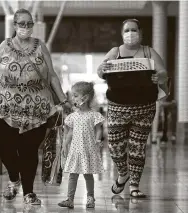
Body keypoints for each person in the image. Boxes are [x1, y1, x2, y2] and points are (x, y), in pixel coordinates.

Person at [0, 8, 71, 205]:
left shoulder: (40, 46)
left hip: (36, 109)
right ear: (15, 25)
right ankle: (14, 178)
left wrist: (63, 100)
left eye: (29, 24)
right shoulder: (5, 45)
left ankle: (29, 193)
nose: (26, 27)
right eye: (22, 23)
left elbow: (51, 75)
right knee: (4, 150)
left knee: (29, 152)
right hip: (6, 107)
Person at [97, 19, 168, 198]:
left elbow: (163, 73)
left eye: (133, 30)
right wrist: (102, 68)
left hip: (144, 108)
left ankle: (135, 186)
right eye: (127, 30)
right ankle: (123, 174)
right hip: (117, 108)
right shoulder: (115, 52)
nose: (130, 33)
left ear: (140, 32)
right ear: (122, 34)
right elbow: (100, 71)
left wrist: (159, 77)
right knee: (114, 145)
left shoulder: (148, 52)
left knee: (137, 147)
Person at [58, 82, 105, 209]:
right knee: (72, 175)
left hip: (88, 149)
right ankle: (70, 199)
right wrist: (64, 145)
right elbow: (70, 132)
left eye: (75, 96)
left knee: (88, 174)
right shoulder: (73, 116)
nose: (73, 99)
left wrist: (98, 140)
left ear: (84, 98)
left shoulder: (94, 115)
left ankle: (90, 198)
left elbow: (99, 129)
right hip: (75, 150)